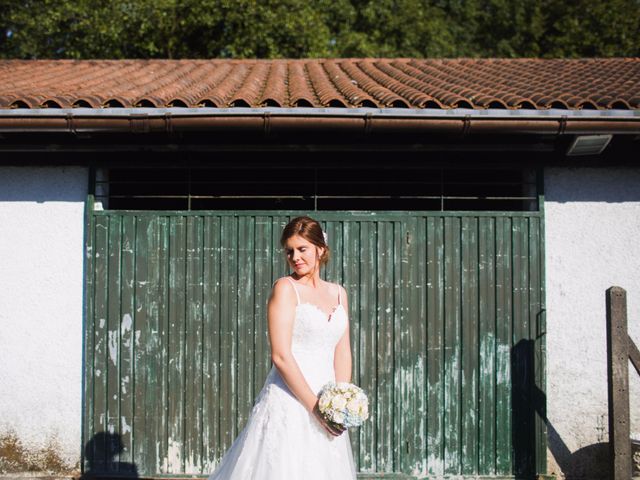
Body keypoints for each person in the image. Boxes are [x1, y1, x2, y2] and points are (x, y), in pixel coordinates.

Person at [207, 215, 357, 479]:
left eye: (302, 249)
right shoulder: (286, 289)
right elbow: (281, 355)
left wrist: (340, 400)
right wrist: (315, 408)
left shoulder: (338, 293)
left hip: (328, 400)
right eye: (289, 251)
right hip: (291, 399)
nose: (295, 257)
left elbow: (342, 350)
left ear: (320, 249)